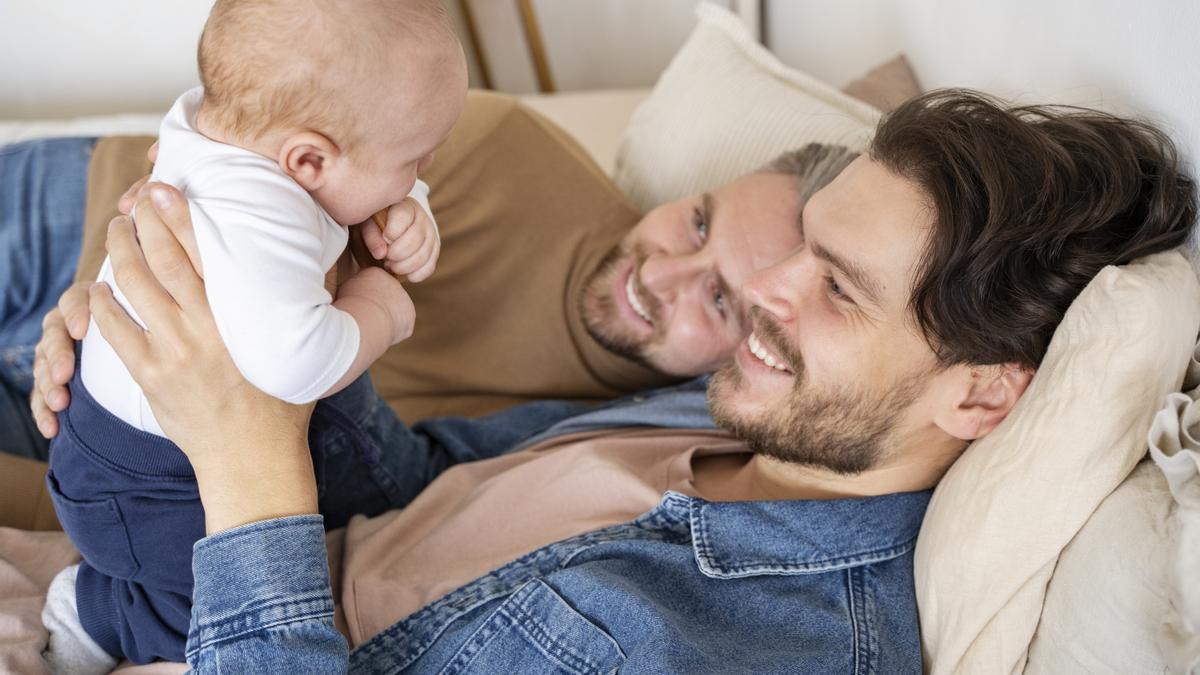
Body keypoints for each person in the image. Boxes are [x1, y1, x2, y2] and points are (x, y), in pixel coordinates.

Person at [53, 89, 1198, 671]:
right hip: (183, 583)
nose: (765, 292)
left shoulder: (716, 640)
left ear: (984, 396)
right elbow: (420, 497)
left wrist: (247, 465)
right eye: (803, 245)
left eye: (839, 289)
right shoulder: (727, 432)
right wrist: (246, 343)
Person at [39, 0, 469, 669]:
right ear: (307, 161)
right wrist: (380, 307)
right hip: (141, 480)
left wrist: (409, 210)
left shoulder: (224, 127)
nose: (423, 173)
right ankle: (97, 611)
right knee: (202, 604)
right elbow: (294, 364)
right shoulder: (258, 215)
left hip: (131, 426)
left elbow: (354, 181)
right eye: (416, 161)